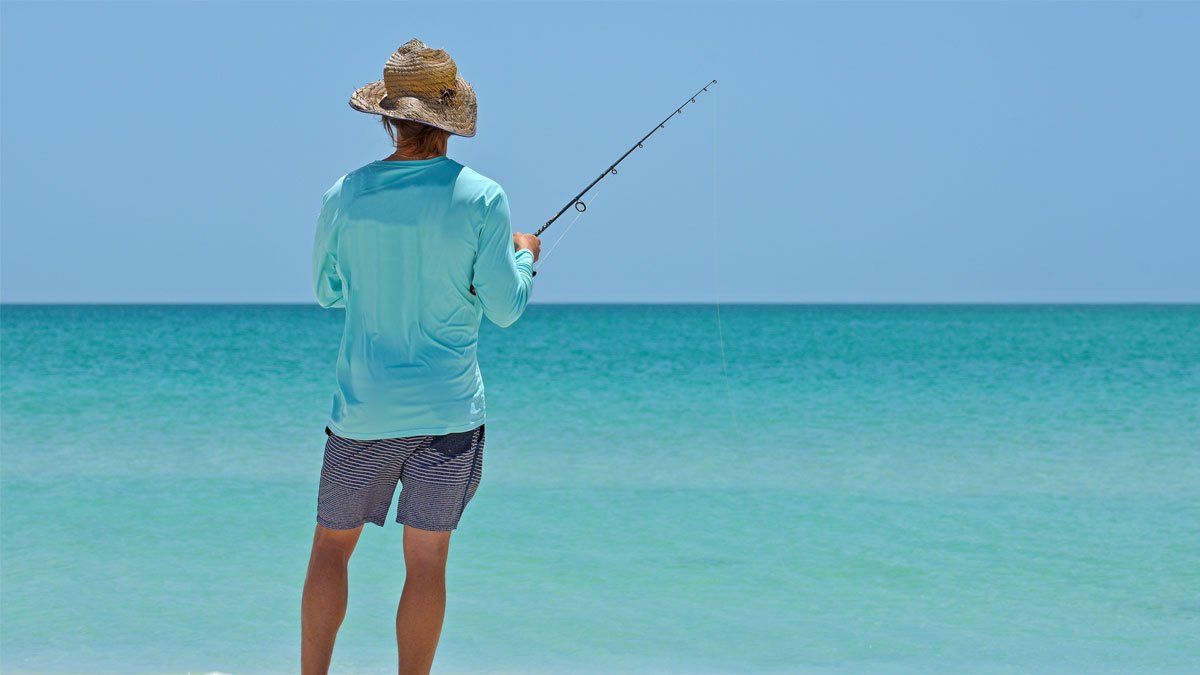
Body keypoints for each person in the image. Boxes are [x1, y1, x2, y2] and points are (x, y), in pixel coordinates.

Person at [300, 39, 539, 675]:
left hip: (363, 410)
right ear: (449, 119)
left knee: (330, 548)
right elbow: (507, 307)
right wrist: (525, 257)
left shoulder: (346, 194)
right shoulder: (483, 198)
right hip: (449, 413)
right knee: (427, 561)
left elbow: (327, 292)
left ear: (387, 116)